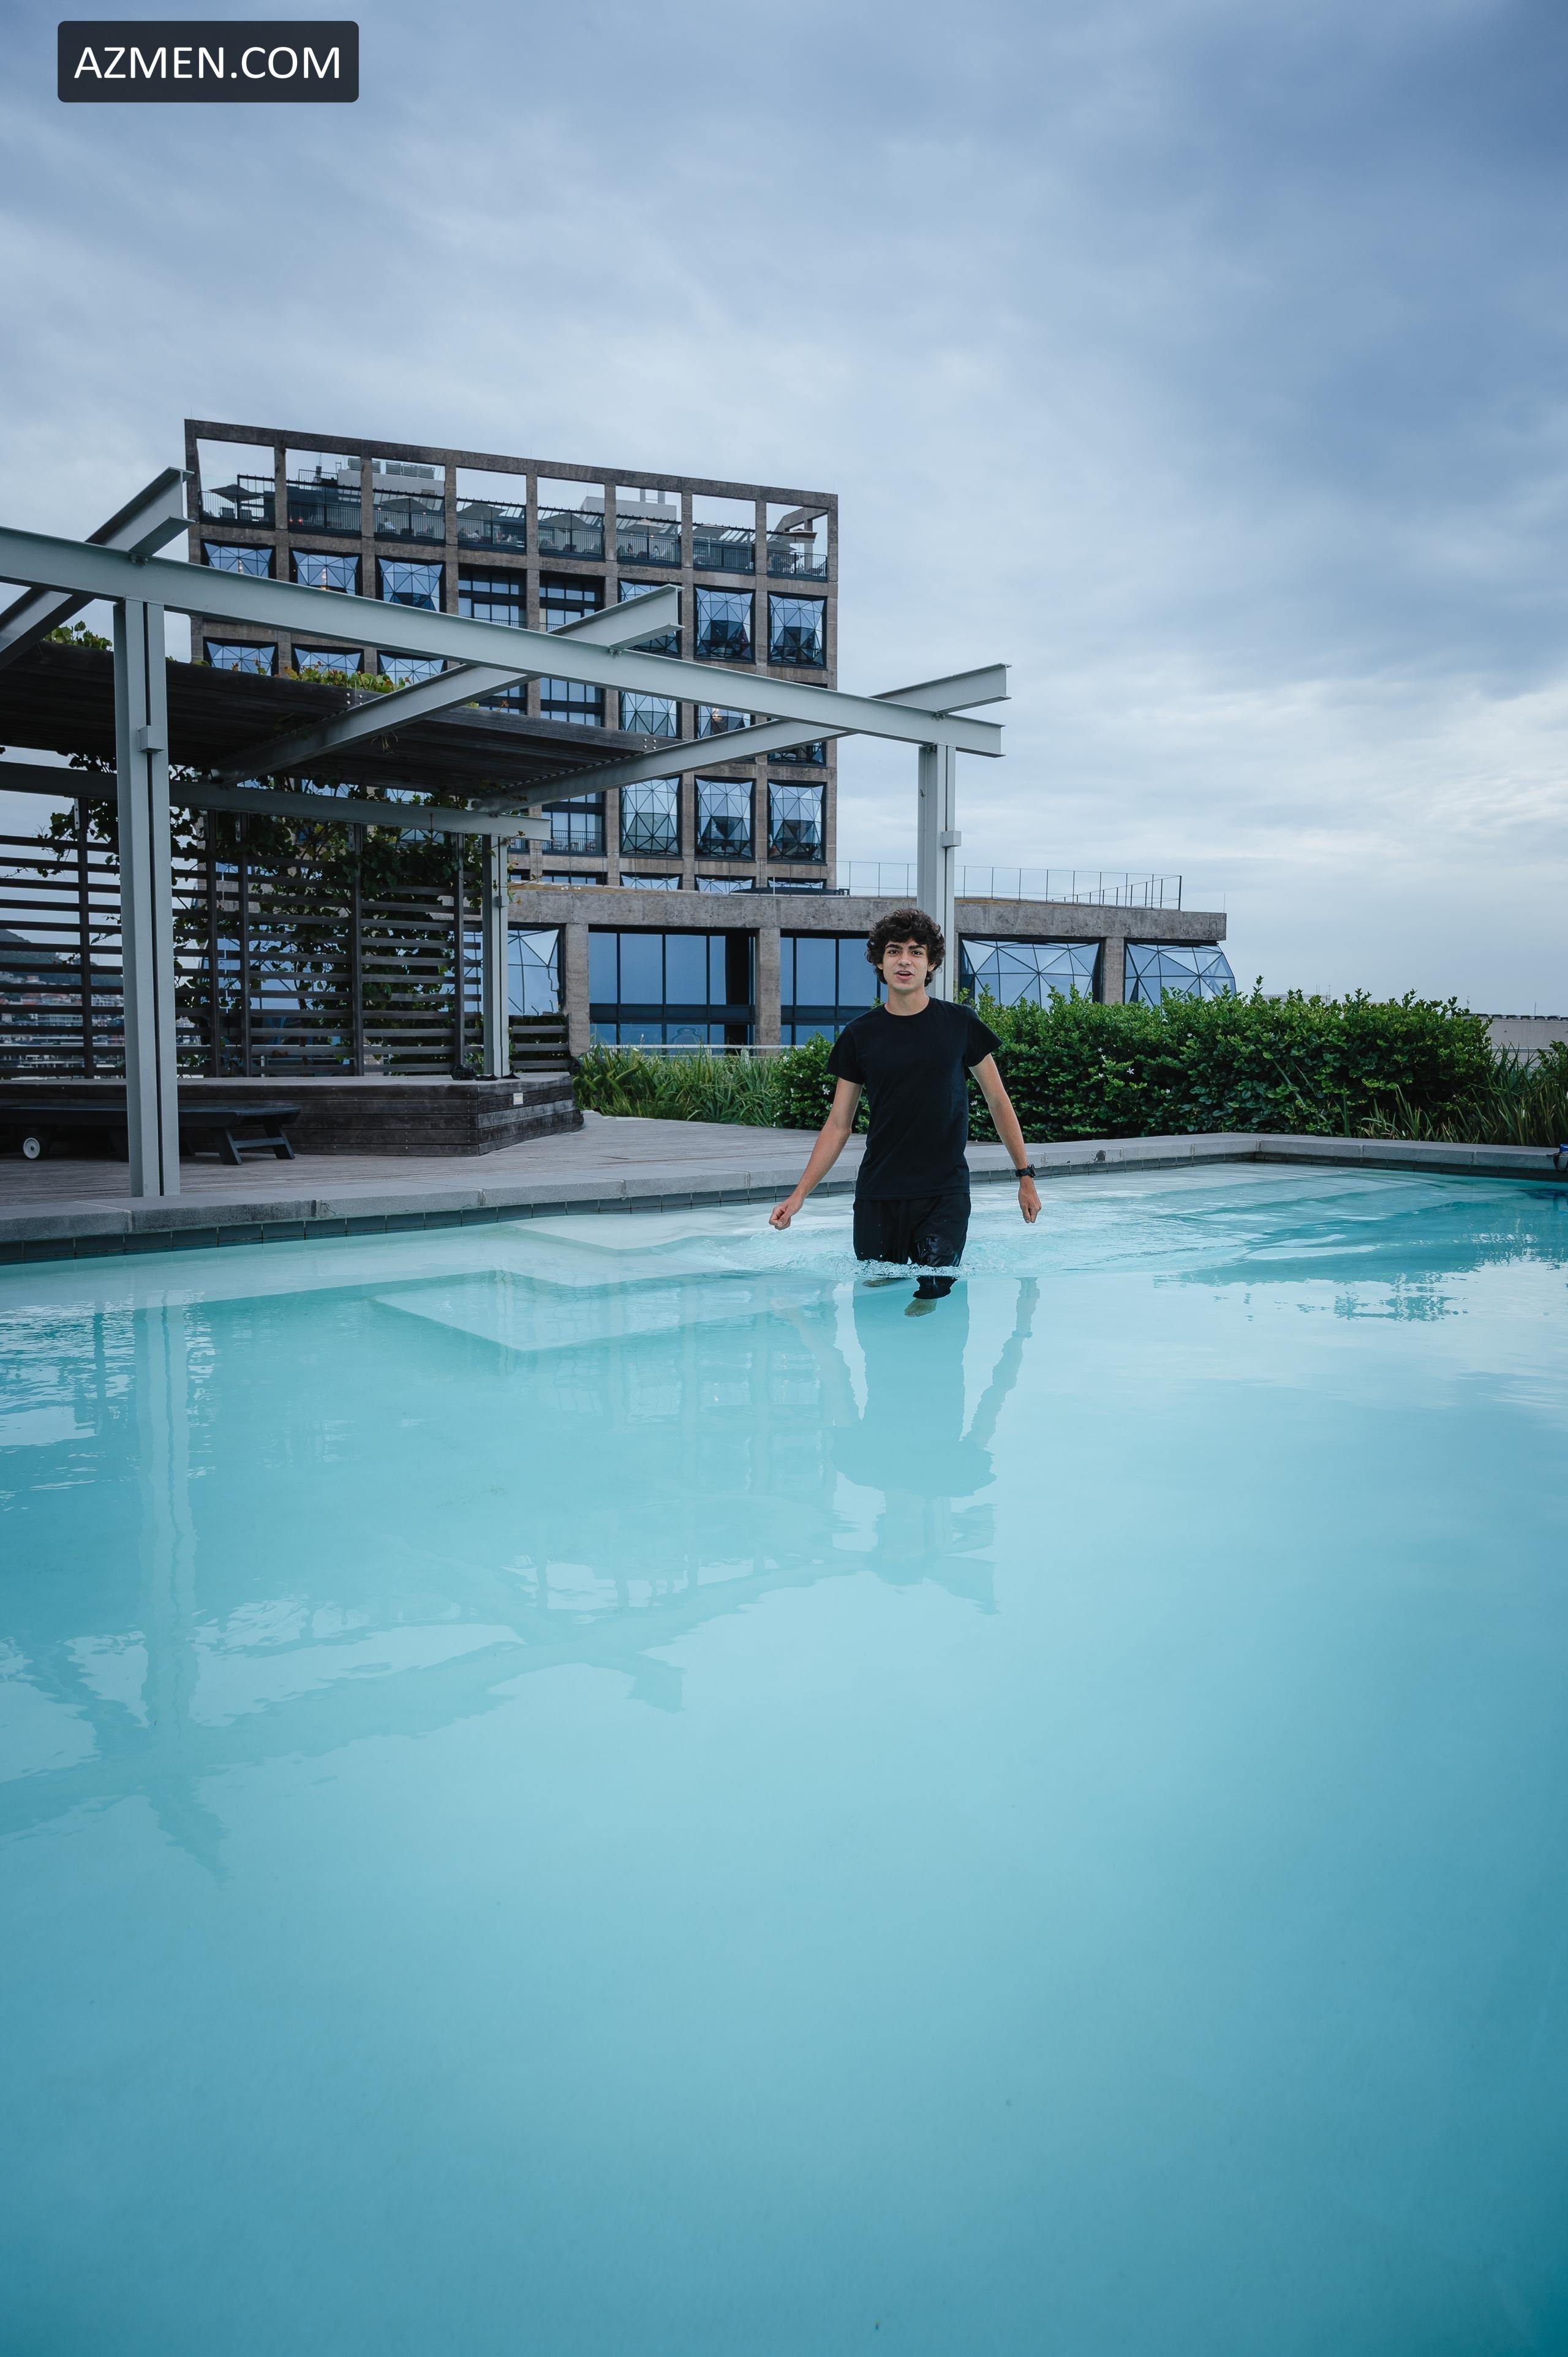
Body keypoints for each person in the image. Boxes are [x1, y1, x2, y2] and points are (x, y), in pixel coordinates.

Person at [769, 908, 1041, 1311]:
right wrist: (799, 1195)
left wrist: (1024, 1176)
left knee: (933, 1289)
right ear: (880, 962)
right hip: (879, 1193)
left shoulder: (960, 1024)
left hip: (944, 1192)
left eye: (916, 952)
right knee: (876, 1296)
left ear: (931, 964)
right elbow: (839, 1124)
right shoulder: (860, 1035)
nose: (905, 961)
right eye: (894, 951)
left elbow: (998, 1100)